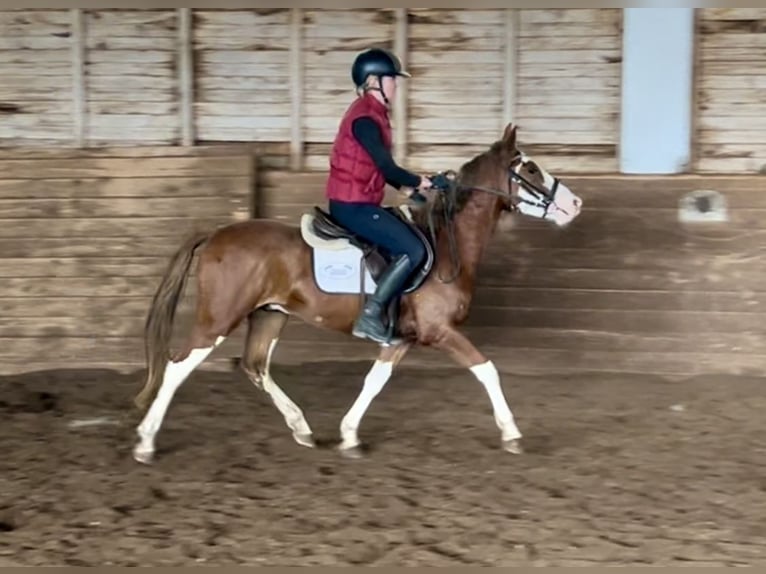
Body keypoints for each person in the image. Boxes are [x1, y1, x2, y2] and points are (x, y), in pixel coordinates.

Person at [324, 47, 433, 345]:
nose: (396, 85)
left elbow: (376, 169)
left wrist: (408, 189)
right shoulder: (365, 119)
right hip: (352, 205)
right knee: (414, 250)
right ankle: (370, 315)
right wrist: (421, 180)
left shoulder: (374, 115)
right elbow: (386, 165)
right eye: (391, 79)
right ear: (374, 81)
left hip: (360, 200)